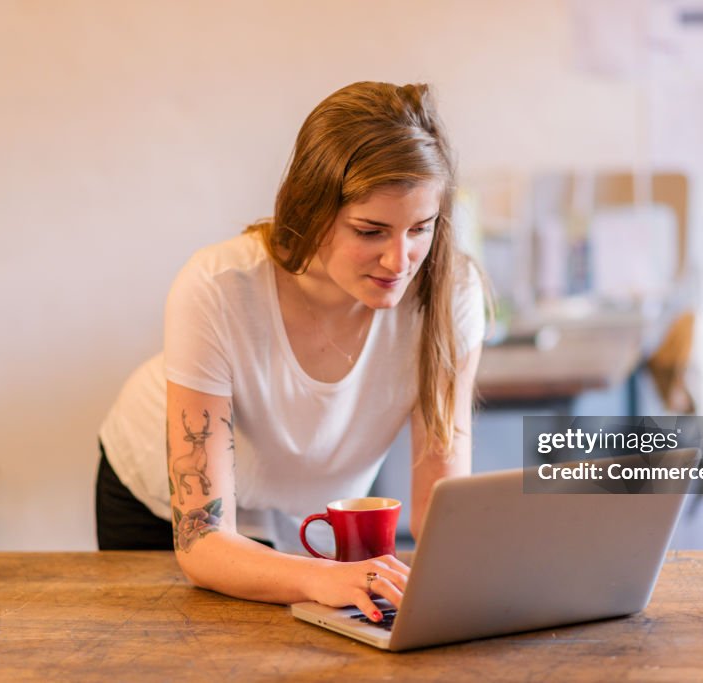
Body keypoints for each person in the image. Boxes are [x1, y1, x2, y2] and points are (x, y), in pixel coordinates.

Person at [95, 81, 487, 623]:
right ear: (312, 207)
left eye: (421, 228)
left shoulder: (451, 294)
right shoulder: (216, 287)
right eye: (371, 231)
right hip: (158, 506)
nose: (401, 260)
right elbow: (203, 543)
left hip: (307, 516)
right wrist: (324, 577)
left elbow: (439, 508)